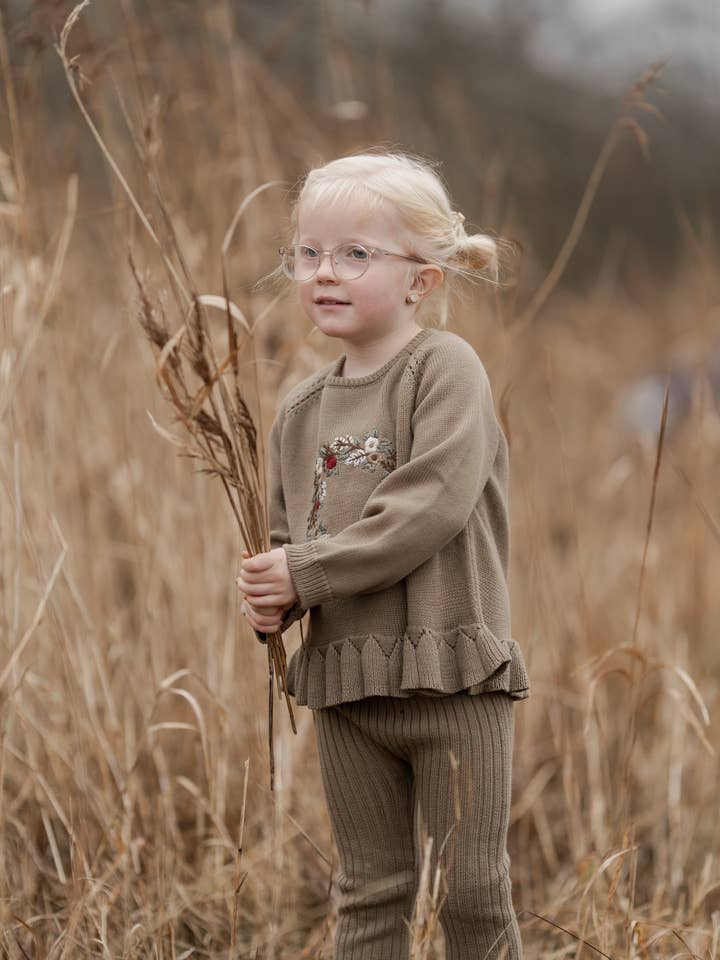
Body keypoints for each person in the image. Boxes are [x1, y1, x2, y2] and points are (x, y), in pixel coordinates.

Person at [235, 148, 530, 959]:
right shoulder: (300, 409)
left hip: (452, 678)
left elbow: (426, 508)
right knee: (368, 892)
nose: (324, 271)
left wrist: (306, 571)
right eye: (308, 252)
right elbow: (294, 535)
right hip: (349, 688)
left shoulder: (444, 370)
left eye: (355, 254)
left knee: (472, 888)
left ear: (421, 280)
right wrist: (276, 591)